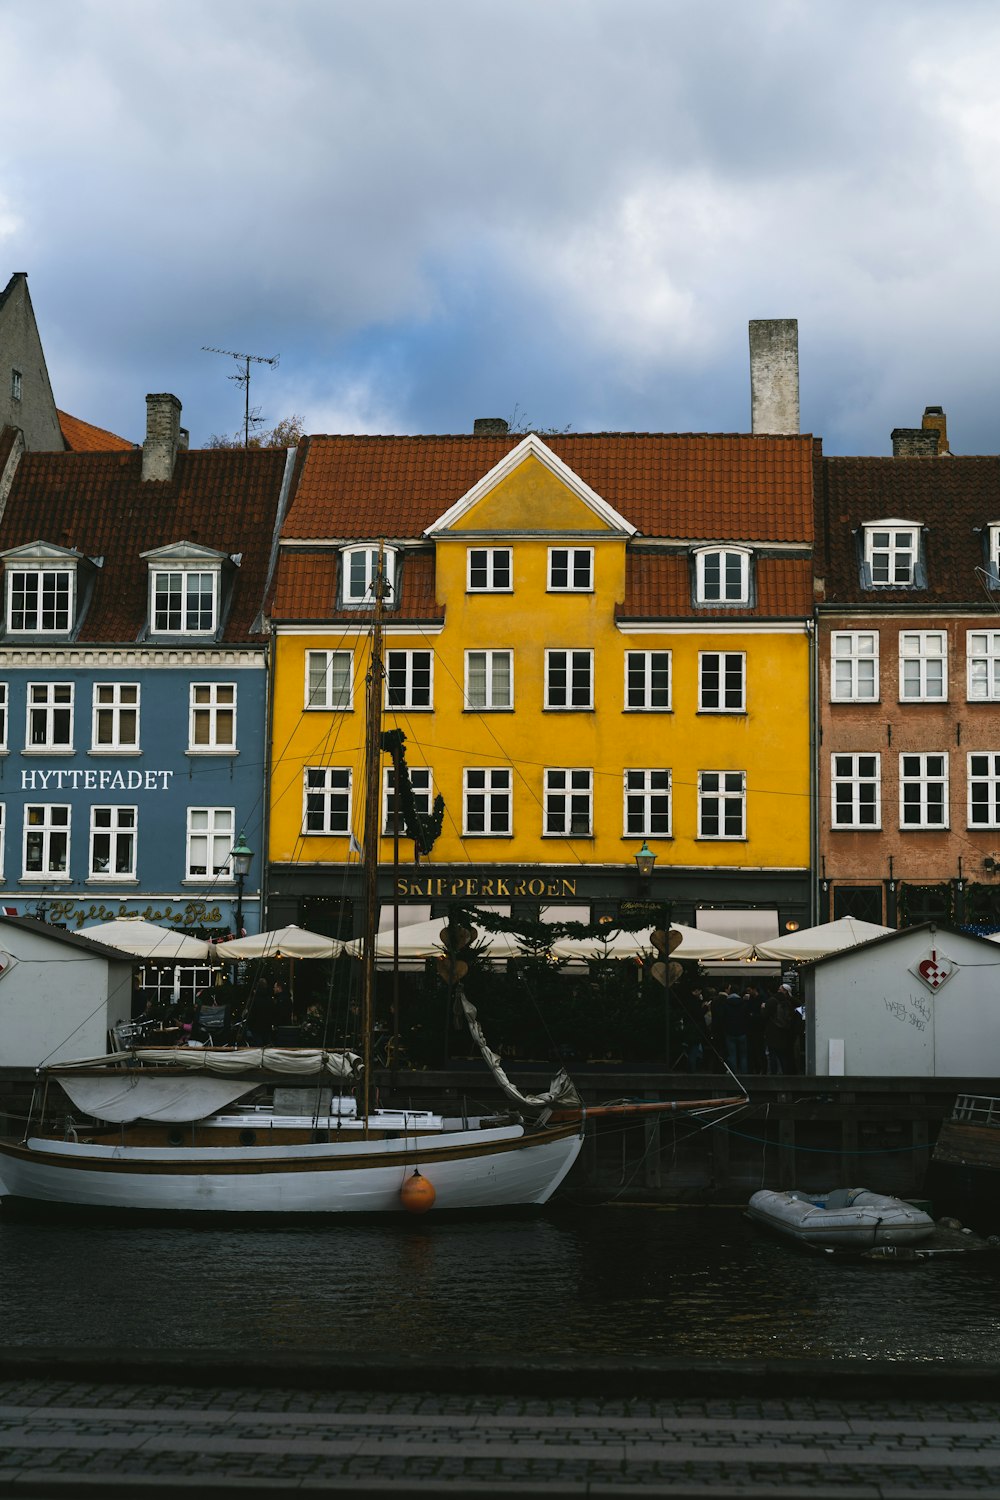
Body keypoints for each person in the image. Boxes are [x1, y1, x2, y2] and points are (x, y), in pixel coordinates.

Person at [763, 984, 796, 1074]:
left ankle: (774, 1074)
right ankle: (785, 1073)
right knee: (783, 1055)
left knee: (772, 1054)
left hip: (772, 1031)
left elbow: (764, 1016)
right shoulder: (789, 1001)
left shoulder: (772, 1001)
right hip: (785, 1031)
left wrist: (762, 1008)